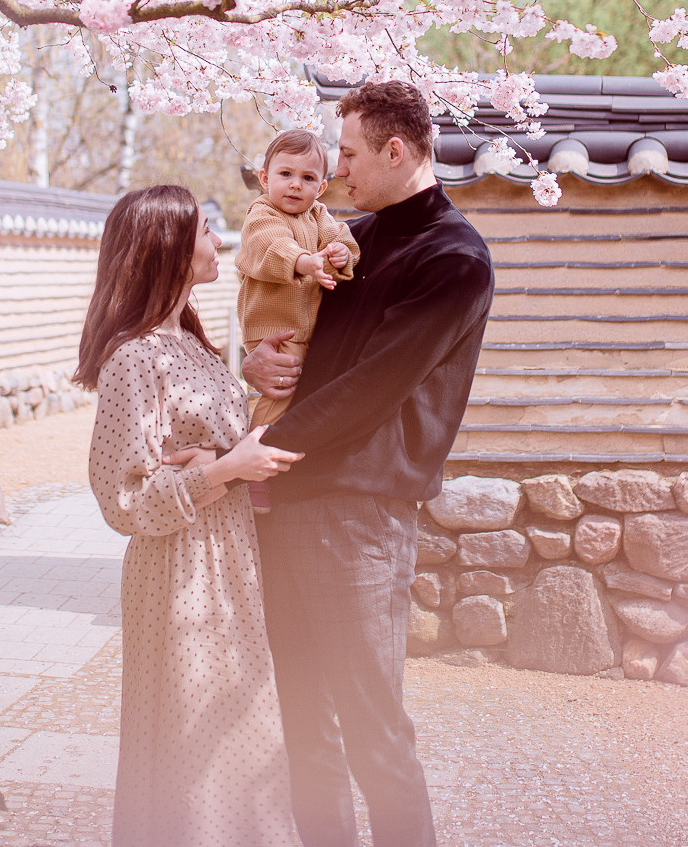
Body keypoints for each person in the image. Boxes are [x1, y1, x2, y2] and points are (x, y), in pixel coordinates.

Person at [241, 80, 495, 847]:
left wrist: (254, 455)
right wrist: (253, 364)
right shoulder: (347, 240)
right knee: (304, 727)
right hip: (288, 497)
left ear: (394, 150)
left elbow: (369, 390)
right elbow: (284, 324)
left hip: (359, 515)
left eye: (347, 154)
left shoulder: (455, 259)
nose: (335, 171)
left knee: (373, 731)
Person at [76, 184, 307, 847]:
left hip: (228, 560)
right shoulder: (134, 356)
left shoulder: (189, 342)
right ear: (168, 249)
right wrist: (223, 470)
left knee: (239, 729)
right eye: (206, 232)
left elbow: (200, 432)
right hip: (180, 570)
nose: (219, 242)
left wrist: (244, 380)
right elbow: (122, 498)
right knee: (193, 735)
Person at [235, 129, 360, 511]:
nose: (295, 185)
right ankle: (251, 471)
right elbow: (270, 246)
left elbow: (344, 239)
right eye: (285, 174)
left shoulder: (319, 216)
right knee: (278, 395)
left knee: (307, 396)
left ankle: (284, 461)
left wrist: (340, 254)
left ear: (321, 188)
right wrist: (306, 262)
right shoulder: (262, 214)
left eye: (307, 178)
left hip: (308, 329)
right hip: (274, 329)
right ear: (264, 178)